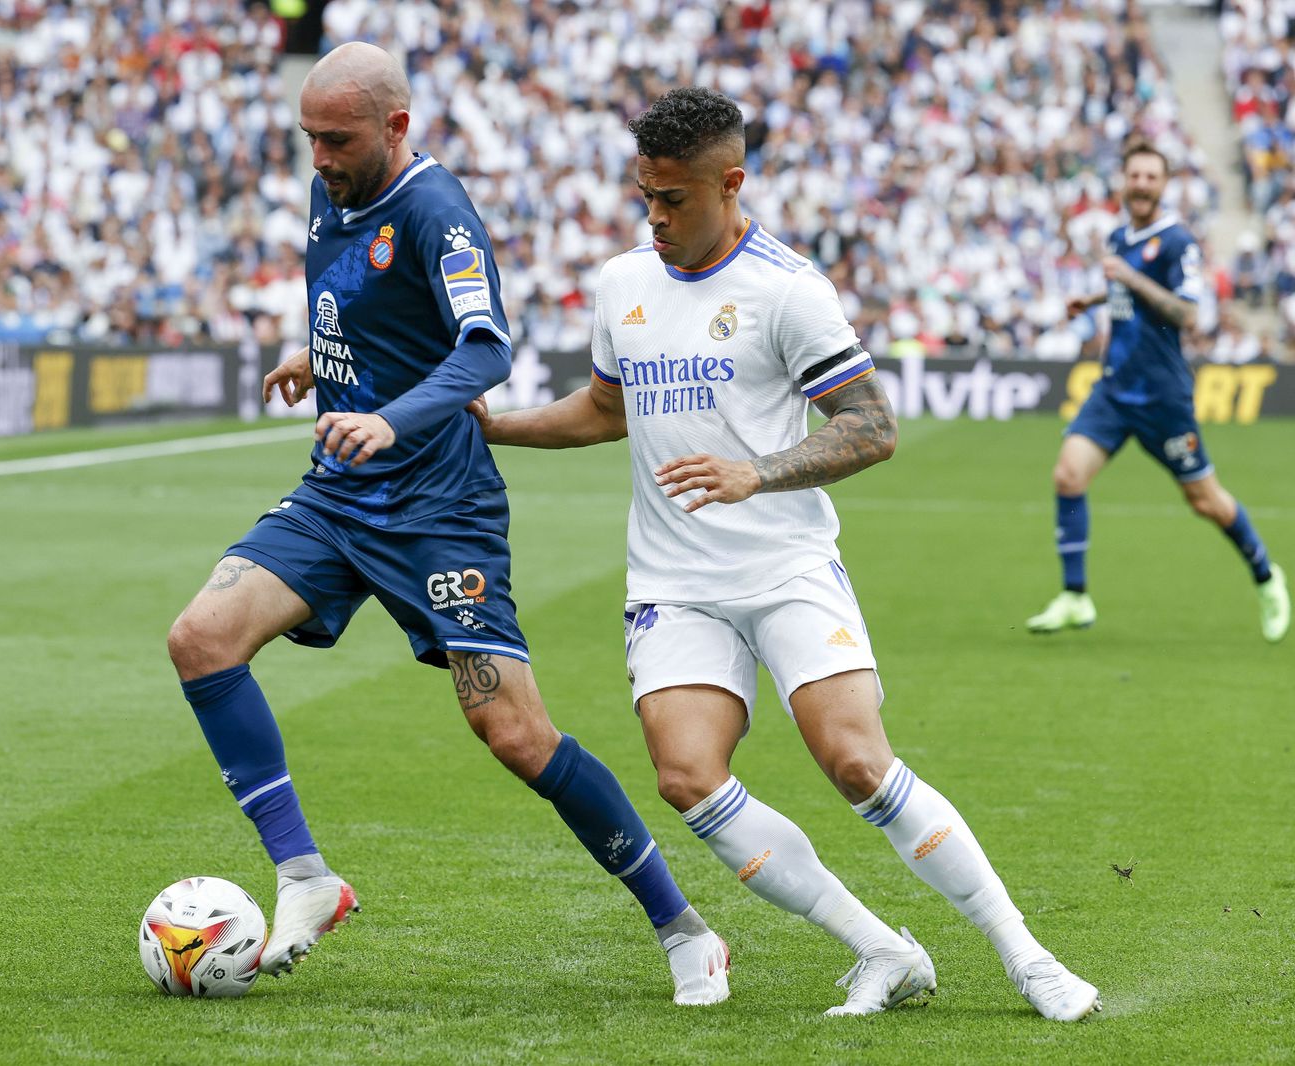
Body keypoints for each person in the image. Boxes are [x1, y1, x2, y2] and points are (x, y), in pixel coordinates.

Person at [472, 86, 1100, 1021]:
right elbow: (605, 411)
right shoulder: (623, 284)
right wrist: (497, 429)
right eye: (645, 195)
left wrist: (755, 473)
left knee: (855, 761)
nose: (655, 217)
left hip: (786, 570)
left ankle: (1027, 955)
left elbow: (872, 427)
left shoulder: (788, 289)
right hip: (675, 583)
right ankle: (882, 949)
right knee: (687, 775)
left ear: (731, 185)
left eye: (674, 198)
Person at [165, 43, 731, 1005]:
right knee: (201, 638)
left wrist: (388, 417)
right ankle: (306, 879)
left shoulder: (437, 209)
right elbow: (371, 303)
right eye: (308, 138)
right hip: (340, 494)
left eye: (336, 139)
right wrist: (321, 353)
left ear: (396, 126)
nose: (318, 158)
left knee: (512, 732)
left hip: (439, 511)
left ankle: (683, 928)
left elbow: (485, 350)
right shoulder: (331, 189)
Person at [1027, 142, 1290, 642]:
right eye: (1136, 175)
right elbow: (1129, 285)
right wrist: (1096, 296)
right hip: (1114, 388)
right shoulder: (1120, 236)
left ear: (1163, 185)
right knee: (1068, 475)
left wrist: (1126, 277)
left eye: (1152, 176)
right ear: (1123, 181)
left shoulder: (1176, 242)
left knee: (1205, 500)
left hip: (1162, 398)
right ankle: (1075, 597)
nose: (1143, 184)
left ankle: (1265, 575)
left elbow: (1188, 314)